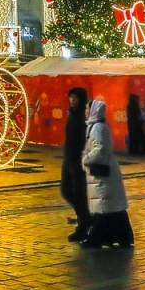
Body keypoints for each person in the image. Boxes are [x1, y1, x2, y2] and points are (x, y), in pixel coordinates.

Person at [80, 99, 134, 249]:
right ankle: (121, 237)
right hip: (105, 173)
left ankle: (96, 239)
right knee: (113, 208)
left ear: (93, 111)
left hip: (102, 174)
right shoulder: (98, 125)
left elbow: (101, 149)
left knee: (104, 208)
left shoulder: (97, 127)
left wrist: (86, 159)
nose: (85, 112)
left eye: (87, 109)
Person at [60, 87, 92, 243]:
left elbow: (85, 139)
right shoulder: (71, 114)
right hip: (68, 158)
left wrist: (83, 157)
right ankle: (85, 217)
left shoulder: (83, 117)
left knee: (79, 193)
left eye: (75, 97)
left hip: (78, 160)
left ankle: (83, 225)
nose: (72, 100)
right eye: (70, 96)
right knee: (65, 191)